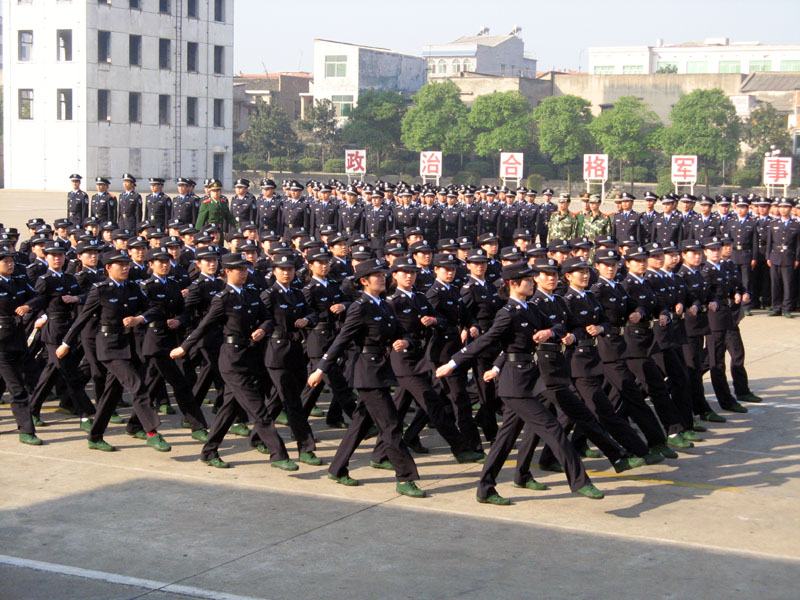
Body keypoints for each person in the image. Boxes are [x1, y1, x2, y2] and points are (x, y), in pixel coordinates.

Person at [435, 261, 604, 504]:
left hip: (528, 381)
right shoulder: (507, 313)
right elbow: (485, 341)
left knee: (505, 440)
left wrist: (550, 333)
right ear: (514, 284)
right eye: (528, 280)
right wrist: (453, 363)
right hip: (515, 386)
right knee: (553, 429)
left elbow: (557, 324)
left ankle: (485, 488)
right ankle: (580, 481)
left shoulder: (531, 308)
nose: (533, 283)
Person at [307, 258, 425, 498]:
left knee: (360, 422)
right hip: (366, 372)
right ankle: (405, 477)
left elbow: (402, 332)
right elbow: (340, 341)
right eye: (377, 276)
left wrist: (405, 341)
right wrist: (320, 369)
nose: (383, 278)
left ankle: (337, 467)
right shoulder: (359, 307)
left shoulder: (384, 304)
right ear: (363, 281)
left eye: (383, 275)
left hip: (381, 370)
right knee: (391, 425)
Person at [170, 252, 296, 470]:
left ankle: (209, 452)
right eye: (240, 269)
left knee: (228, 409)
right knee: (259, 410)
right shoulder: (222, 299)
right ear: (227, 272)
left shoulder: (251, 294)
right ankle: (278, 454)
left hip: (250, 357)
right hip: (232, 360)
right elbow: (204, 326)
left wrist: (261, 329)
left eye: (246, 269)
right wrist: (184, 347)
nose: (244, 273)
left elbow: (268, 318)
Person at [56, 249, 171, 452]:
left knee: (110, 395)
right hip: (109, 347)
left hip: (129, 346)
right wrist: (66, 344)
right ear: (108, 268)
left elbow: (154, 308)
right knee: (137, 386)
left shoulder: (133, 288)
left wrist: (140, 319)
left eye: (127, 265)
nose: (125, 268)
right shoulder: (100, 290)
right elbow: (81, 320)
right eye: (121, 265)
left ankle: (95, 436)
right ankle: (152, 432)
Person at [259, 253, 320, 466]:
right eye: (282, 269)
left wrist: (306, 319)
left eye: (290, 269)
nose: (287, 273)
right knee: (293, 402)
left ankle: (257, 436)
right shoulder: (269, 294)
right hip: (276, 352)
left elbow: (313, 313)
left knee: (280, 397)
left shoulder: (297, 293)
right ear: (274, 271)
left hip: (295, 350)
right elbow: (262, 320)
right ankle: (306, 447)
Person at [0, 248, 45, 445]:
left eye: (11, 261)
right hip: (1, 341)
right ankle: (27, 430)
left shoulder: (18, 281)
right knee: (17, 388)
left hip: (18, 338)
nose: (10, 264)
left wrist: (28, 306)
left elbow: (38, 297)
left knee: (4, 383)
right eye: (5, 261)